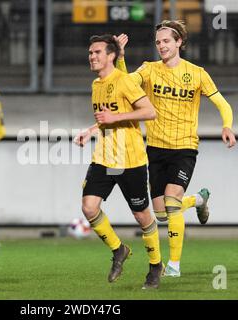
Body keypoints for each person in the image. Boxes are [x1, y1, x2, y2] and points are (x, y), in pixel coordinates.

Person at [114, 20, 236, 277]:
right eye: (158, 42)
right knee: (161, 215)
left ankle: (174, 265)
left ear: (179, 42)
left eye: (166, 41)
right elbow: (124, 85)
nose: (161, 46)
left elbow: (222, 103)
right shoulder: (148, 70)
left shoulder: (198, 73)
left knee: (171, 203)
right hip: (156, 149)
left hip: (184, 148)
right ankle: (199, 200)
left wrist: (227, 126)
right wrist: (121, 58)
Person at [73, 34, 163, 289]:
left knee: (141, 215)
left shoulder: (124, 81)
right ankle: (118, 249)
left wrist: (116, 117)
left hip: (130, 158)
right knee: (89, 207)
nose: (92, 56)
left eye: (97, 52)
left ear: (111, 55)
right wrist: (90, 130)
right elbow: (106, 118)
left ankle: (155, 265)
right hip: (105, 157)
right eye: (90, 52)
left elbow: (149, 111)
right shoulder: (96, 85)